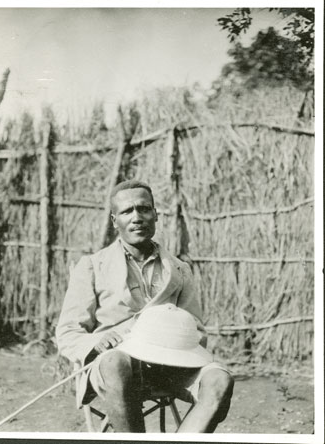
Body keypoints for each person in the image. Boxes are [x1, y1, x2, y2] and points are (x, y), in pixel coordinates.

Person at [56, 180, 234, 432]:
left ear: (156, 214)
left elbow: (197, 332)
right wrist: (97, 342)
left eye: (144, 209)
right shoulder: (92, 267)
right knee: (116, 362)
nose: (137, 217)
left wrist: (169, 341)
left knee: (219, 379)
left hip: (172, 366)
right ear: (114, 220)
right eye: (127, 211)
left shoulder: (179, 270)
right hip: (115, 368)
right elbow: (67, 333)